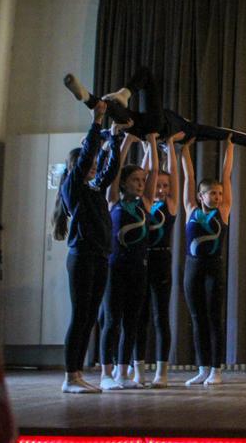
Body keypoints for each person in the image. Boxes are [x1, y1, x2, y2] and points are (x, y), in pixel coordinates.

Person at [55, 102, 125, 393]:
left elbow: (110, 170)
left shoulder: (94, 188)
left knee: (90, 317)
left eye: (96, 162)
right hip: (82, 257)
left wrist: (115, 139)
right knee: (80, 316)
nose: (94, 165)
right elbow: (86, 157)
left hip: (99, 256)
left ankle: (77, 373)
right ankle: (70, 377)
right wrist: (96, 122)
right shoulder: (72, 188)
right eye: (89, 163)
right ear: (76, 168)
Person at [64, 68, 246, 148]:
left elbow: (223, 133)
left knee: (147, 74)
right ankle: (88, 98)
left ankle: (120, 95)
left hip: (156, 127)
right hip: (142, 126)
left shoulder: (192, 130)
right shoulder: (189, 131)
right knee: (114, 113)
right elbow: (223, 133)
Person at [98, 133, 158, 391]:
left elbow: (154, 172)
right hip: (115, 268)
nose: (141, 184)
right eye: (135, 180)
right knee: (112, 320)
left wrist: (152, 141)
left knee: (131, 322)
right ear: (123, 183)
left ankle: (123, 372)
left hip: (138, 269)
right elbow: (115, 168)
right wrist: (127, 142)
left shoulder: (146, 203)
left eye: (142, 180)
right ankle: (106, 373)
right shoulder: (113, 200)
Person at [180, 136, 234, 386]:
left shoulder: (223, 211)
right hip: (193, 267)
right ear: (201, 196)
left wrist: (230, 147)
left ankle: (216, 369)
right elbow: (189, 177)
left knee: (214, 318)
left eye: (220, 193)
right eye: (212, 193)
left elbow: (227, 175)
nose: (218, 196)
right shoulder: (190, 209)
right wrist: (185, 150)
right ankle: (202, 368)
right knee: (197, 317)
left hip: (214, 267)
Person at [133, 133, 184, 388]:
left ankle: (161, 373)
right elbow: (145, 172)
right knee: (139, 317)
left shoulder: (171, 205)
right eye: (158, 185)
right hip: (142, 261)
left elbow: (174, 175)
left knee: (161, 316)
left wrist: (170, 147)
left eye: (165, 186)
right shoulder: (142, 203)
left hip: (161, 260)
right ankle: (138, 372)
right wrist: (149, 147)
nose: (162, 189)